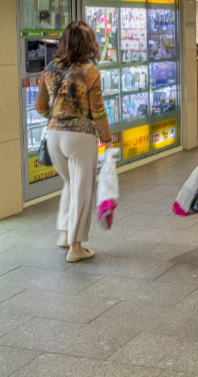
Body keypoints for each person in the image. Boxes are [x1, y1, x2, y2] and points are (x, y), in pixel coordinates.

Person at [36, 20, 112, 263]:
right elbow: (98, 111)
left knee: (70, 183)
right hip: (80, 136)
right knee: (82, 189)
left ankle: (64, 233)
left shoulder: (50, 68)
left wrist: (57, 118)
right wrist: (108, 140)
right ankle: (76, 246)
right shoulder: (90, 72)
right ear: (88, 44)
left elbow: (40, 106)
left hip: (53, 136)